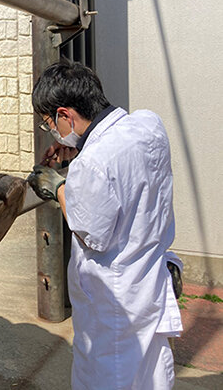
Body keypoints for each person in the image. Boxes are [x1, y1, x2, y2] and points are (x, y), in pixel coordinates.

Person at [27, 59, 182, 390]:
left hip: (114, 304)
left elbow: (89, 231)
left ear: (65, 115)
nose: (51, 131)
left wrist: (59, 187)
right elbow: (122, 167)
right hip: (150, 283)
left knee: (109, 379)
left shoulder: (91, 165)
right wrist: (76, 147)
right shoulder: (148, 126)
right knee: (152, 374)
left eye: (49, 123)